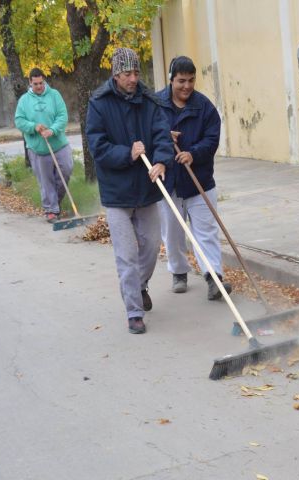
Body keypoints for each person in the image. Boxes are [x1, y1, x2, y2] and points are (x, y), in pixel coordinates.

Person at [86, 47, 174, 334]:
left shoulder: (149, 100)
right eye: (127, 74)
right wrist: (128, 153)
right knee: (126, 254)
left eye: (136, 72)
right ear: (115, 74)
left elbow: (162, 134)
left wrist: (161, 161)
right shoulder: (99, 103)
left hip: (147, 188)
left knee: (150, 247)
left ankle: (140, 285)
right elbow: (97, 147)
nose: (133, 78)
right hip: (117, 193)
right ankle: (134, 312)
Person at [157, 56, 232, 301]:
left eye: (191, 80)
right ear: (171, 79)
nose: (186, 86)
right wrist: (164, 138)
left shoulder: (204, 107)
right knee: (173, 233)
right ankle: (179, 272)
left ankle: (214, 278)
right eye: (181, 81)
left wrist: (193, 153)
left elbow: (212, 139)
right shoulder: (156, 105)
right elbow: (146, 134)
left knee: (206, 232)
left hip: (199, 181)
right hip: (168, 183)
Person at [15, 68, 72, 223]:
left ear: (44, 81)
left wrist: (52, 130)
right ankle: (51, 210)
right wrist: (34, 127)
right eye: (35, 84)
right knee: (46, 180)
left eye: (41, 83)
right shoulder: (24, 100)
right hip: (38, 148)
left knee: (66, 170)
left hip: (59, 144)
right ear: (30, 83)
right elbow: (19, 121)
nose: (39, 86)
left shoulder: (54, 95)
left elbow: (62, 116)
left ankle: (56, 203)